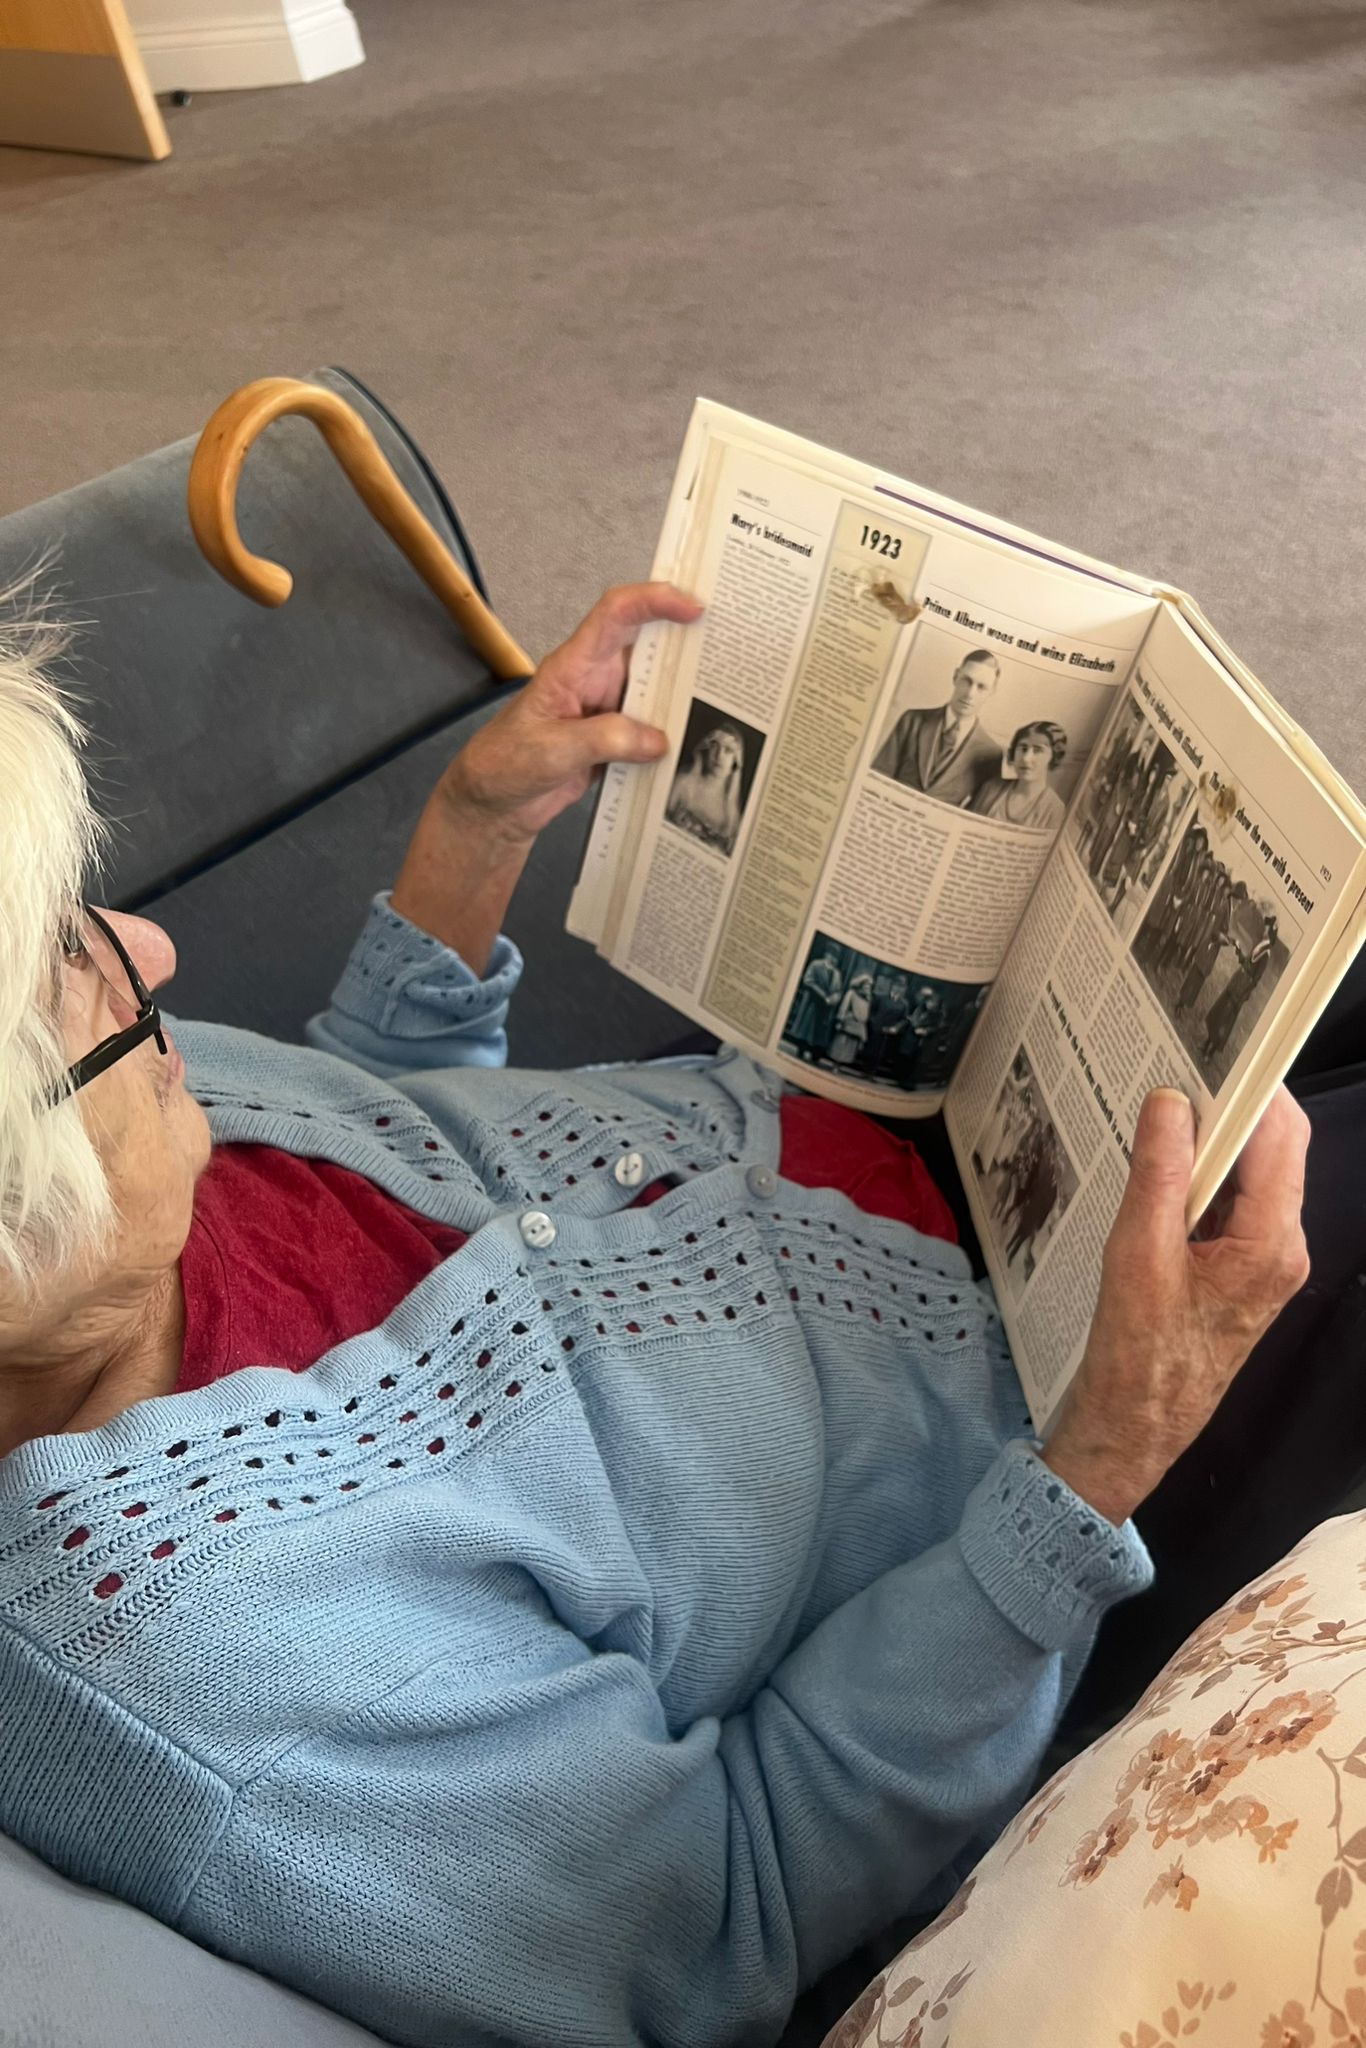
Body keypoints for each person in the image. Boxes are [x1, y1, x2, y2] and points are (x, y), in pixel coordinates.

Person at [0, 582, 1312, 2048]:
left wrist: (467, 843)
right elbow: (735, 1901)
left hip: (822, 1124)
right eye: (72, 962)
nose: (148, 950)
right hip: (1048, 1413)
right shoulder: (211, 1680)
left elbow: (385, 1155)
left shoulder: (102, 1181)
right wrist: (1103, 1455)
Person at [872, 648, 1004, 806]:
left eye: (981, 687)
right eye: (966, 681)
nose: (970, 694)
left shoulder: (991, 753)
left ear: (992, 691)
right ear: (955, 676)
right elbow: (878, 775)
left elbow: (977, 810)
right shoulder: (912, 720)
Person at [665, 715, 746, 854]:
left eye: (728, 750)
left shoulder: (732, 816)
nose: (719, 756)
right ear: (705, 749)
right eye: (714, 746)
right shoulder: (683, 784)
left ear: (735, 761)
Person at [968, 720, 1069, 832]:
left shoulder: (1054, 809)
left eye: (1038, 750)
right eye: (1023, 748)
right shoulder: (990, 788)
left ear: (1054, 756)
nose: (1026, 758)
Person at [787, 943, 844, 1063]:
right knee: (806, 1029)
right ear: (826, 955)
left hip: (825, 1009)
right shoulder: (816, 965)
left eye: (836, 957)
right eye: (831, 956)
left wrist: (834, 998)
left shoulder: (837, 974)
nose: (833, 959)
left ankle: (814, 1055)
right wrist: (822, 995)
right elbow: (808, 980)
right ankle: (801, 1051)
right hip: (812, 1004)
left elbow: (838, 990)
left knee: (819, 1034)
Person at [828, 970, 874, 1065]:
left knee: (850, 1047)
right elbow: (844, 1006)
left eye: (869, 987)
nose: (867, 988)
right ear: (861, 985)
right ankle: (835, 1064)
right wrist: (840, 1020)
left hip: (858, 1026)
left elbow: (866, 1013)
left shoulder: (868, 998)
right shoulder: (852, 993)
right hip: (848, 1022)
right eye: (865, 986)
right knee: (841, 1044)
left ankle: (841, 1064)